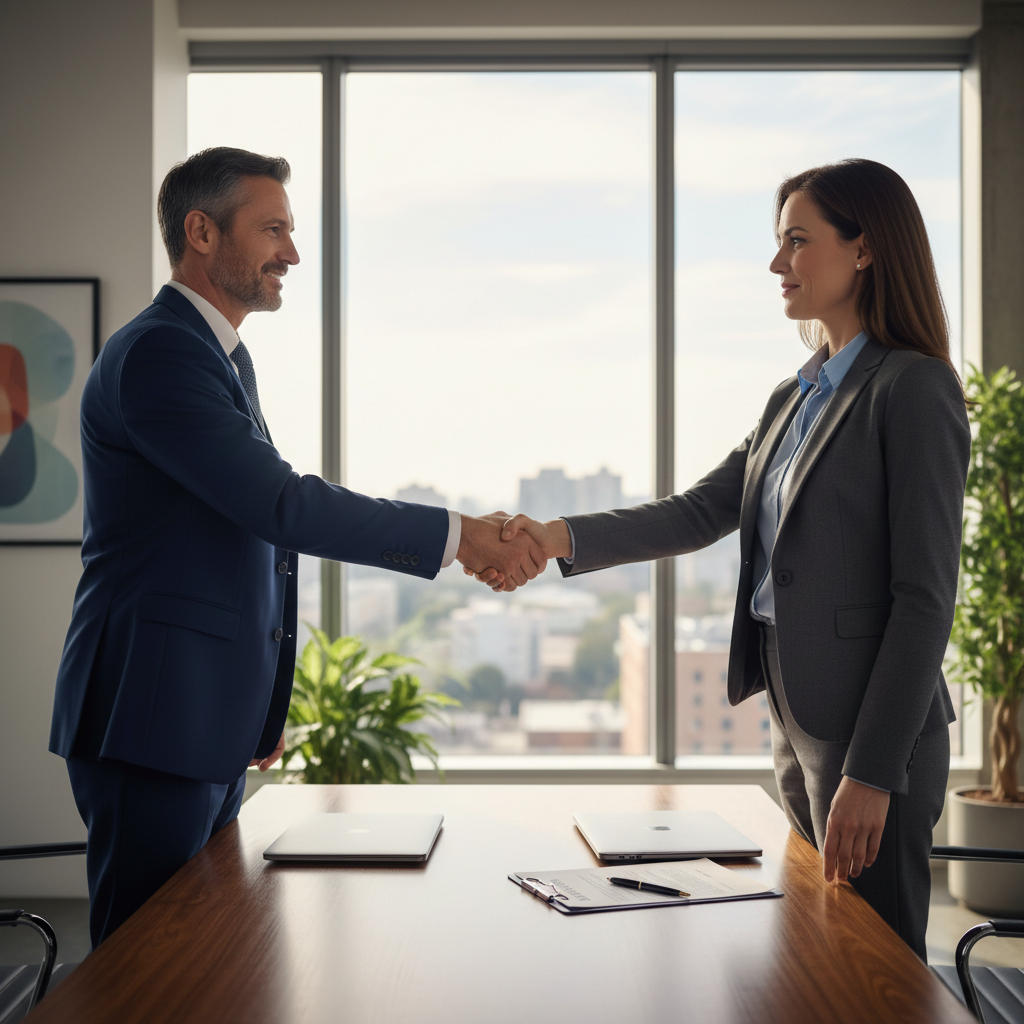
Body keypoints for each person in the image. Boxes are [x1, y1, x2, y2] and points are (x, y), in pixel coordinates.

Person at [49, 147, 546, 948]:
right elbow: (280, 504)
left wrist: (258, 701)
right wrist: (460, 537)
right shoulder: (162, 354)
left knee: (202, 955)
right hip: (152, 716)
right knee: (145, 970)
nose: (292, 251)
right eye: (273, 228)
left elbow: (244, 532)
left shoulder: (218, 355)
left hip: (196, 712)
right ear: (201, 232)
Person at [478, 159, 970, 960]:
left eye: (798, 242)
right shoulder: (795, 395)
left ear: (865, 249)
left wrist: (873, 775)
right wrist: (554, 535)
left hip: (875, 734)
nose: (778, 265)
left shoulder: (911, 389)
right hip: (797, 715)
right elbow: (701, 510)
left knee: (879, 965)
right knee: (818, 950)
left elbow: (925, 600)